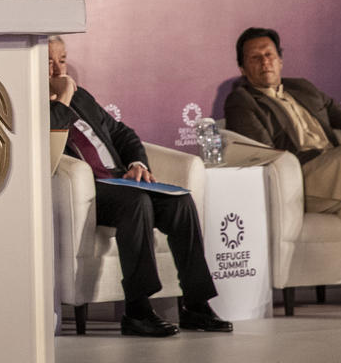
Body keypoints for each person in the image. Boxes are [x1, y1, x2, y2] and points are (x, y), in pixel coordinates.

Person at [48, 36, 231, 336]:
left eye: (62, 61)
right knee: (137, 203)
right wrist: (64, 95)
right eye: (48, 63)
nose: (58, 70)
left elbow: (123, 133)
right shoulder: (36, 103)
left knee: (180, 202)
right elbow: (52, 132)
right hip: (90, 189)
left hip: (121, 179)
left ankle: (196, 305)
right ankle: (137, 310)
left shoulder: (83, 99)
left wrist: (137, 163)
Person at [225, 27, 341, 241]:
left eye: (269, 55)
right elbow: (264, 154)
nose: (265, 62)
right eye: (255, 58)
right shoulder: (242, 101)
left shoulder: (304, 88)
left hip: (339, 175)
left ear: (280, 61)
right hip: (302, 176)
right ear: (242, 69)